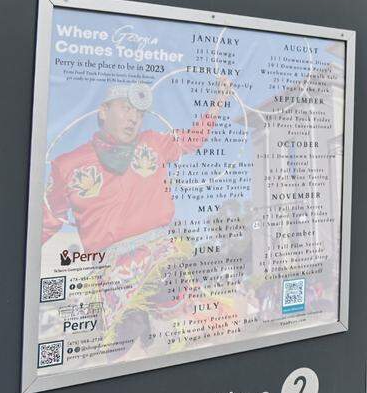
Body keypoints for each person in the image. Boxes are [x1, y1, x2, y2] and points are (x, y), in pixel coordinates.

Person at [41, 76, 235, 359]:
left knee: (187, 331)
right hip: (114, 276)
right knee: (123, 349)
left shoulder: (153, 143)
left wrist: (219, 100)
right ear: (104, 111)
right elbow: (47, 220)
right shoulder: (67, 165)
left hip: (161, 261)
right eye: (126, 109)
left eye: (139, 113)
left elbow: (193, 139)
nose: (133, 118)